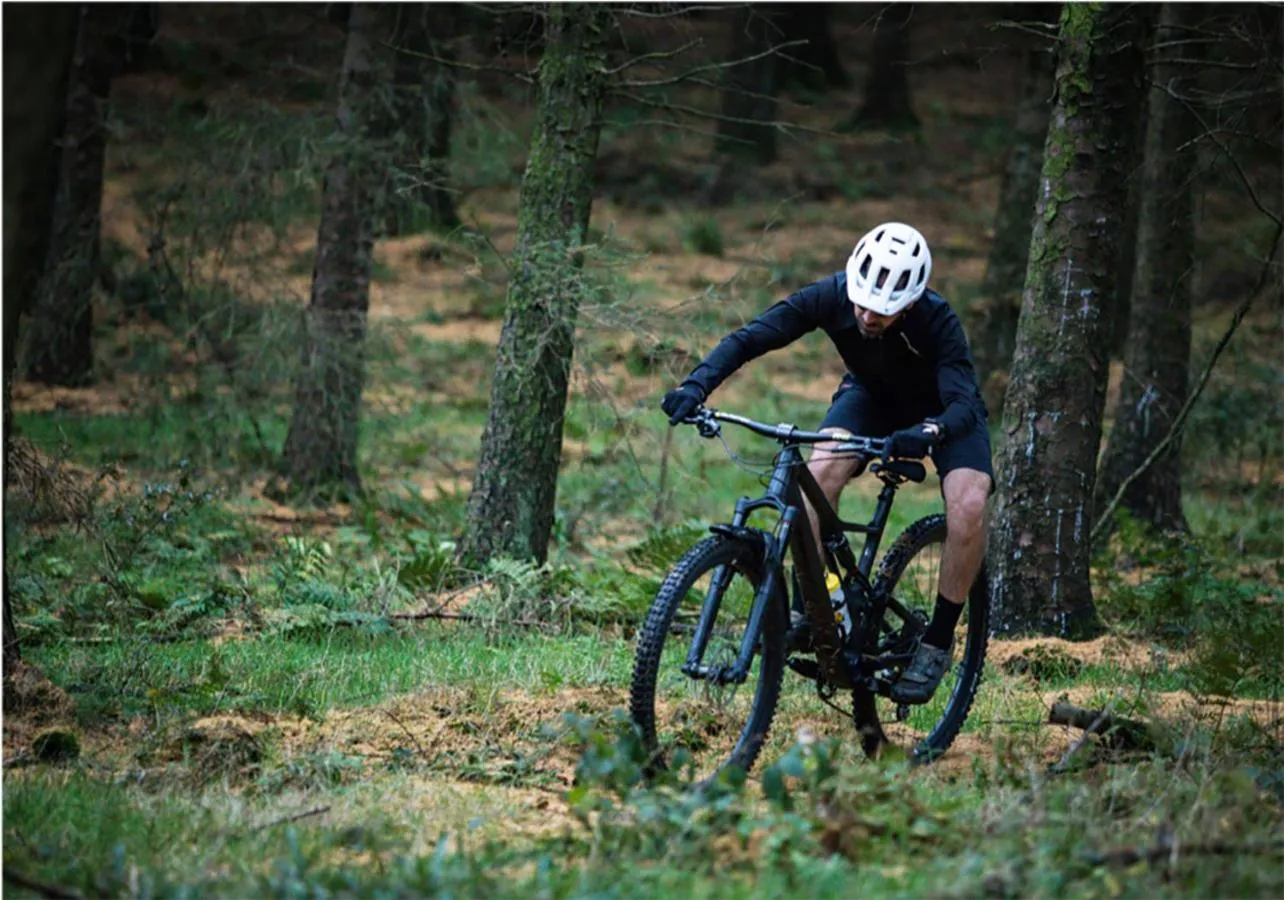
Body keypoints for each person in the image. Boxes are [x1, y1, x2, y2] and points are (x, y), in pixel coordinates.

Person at [660, 222, 992, 705]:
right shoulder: (830, 296)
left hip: (942, 415)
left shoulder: (937, 321)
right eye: (860, 303)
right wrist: (696, 385)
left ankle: (937, 642)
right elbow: (752, 337)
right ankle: (817, 609)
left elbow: (962, 403)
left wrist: (929, 432)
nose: (865, 316)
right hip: (870, 397)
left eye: (881, 312)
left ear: (909, 303)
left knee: (968, 503)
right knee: (819, 474)